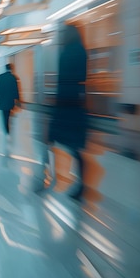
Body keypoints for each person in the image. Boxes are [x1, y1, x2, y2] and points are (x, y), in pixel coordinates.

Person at [40, 24, 88, 200]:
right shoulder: (82, 51)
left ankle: (47, 177)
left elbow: (63, 81)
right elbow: (81, 79)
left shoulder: (67, 53)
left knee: (52, 140)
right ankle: (79, 184)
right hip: (76, 104)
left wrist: (56, 106)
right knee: (75, 148)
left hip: (65, 105)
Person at [0, 64, 20, 136]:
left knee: (4, 115)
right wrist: (18, 99)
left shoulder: (0, 77)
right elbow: (16, 90)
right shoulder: (13, 77)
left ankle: (6, 128)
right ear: (11, 69)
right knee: (8, 113)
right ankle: (7, 127)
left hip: (2, 100)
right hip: (9, 100)